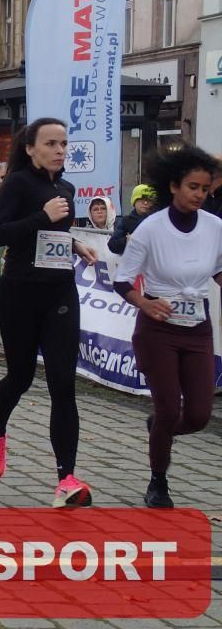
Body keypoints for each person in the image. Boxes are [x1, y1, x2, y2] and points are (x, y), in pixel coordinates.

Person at [0, 118, 98, 508]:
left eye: (63, 143)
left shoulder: (66, 188)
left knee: (63, 384)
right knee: (20, 377)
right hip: (20, 291)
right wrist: (42, 217)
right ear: (30, 148)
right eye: (50, 143)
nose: (59, 150)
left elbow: (55, 234)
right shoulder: (17, 184)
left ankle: (66, 479)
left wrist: (75, 244)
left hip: (60, 290)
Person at [113, 146, 222, 508]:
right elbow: (122, 281)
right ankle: (158, 481)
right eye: (193, 187)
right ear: (174, 186)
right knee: (169, 408)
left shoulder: (214, 227)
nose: (199, 195)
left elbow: (218, 270)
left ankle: (159, 429)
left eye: (205, 189)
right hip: (158, 329)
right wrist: (145, 302)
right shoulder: (151, 228)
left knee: (199, 415)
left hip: (198, 328)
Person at [108, 184, 155, 254]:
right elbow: (112, 245)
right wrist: (127, 241)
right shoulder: (126, 221)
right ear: (134, 201)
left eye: (148, 200)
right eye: (141, 199)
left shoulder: (157, 220)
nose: (145, 203)